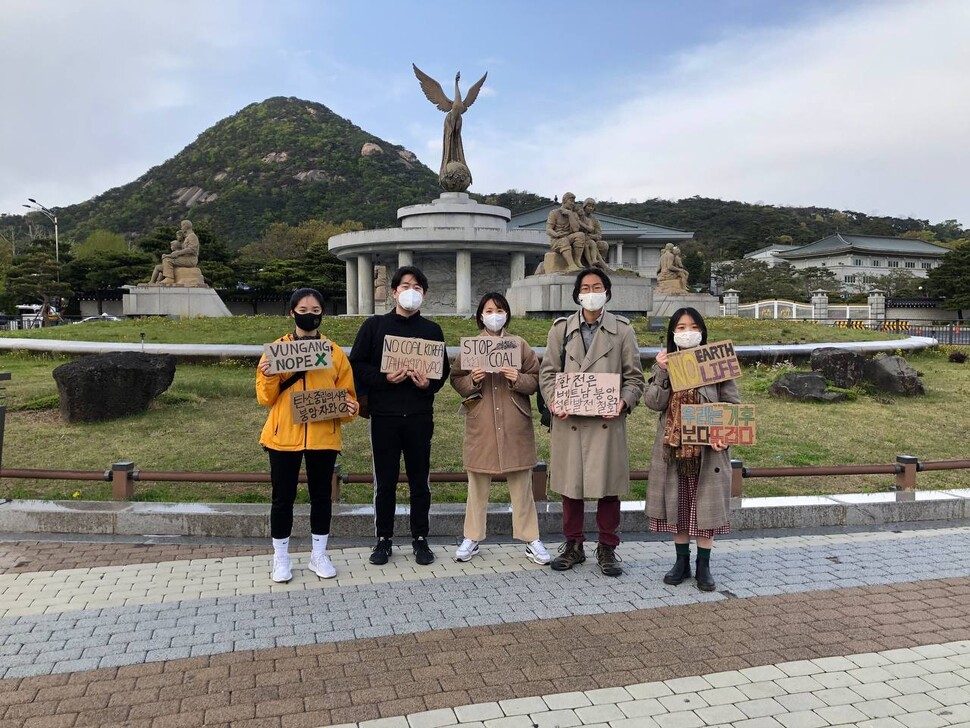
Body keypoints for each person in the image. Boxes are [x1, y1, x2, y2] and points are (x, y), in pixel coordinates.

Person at [538, 268, 645, 576]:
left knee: (608, 487)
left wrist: (624, 402)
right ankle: (573, 545)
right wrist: (553, 399)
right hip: (569, 419)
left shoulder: (623, 330)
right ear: (577, 294)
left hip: (606, 423)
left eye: (597, 286)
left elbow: (634, 378)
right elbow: (547, 373)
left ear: (607, 292)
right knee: (570, 488)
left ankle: (608, 546)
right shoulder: (560, 330)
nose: (591, 291)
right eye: (585, 287)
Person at [349, 265, 450, 567]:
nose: (411, 292)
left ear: (424, 294)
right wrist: (383, 378)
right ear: (393, 292)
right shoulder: (374, 326)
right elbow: (357, 364)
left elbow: (441, 370)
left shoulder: (432, 330)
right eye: (405, 286)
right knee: (386, 481)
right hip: (384, 416)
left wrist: (427, 385)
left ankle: (420, 538)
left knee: (420, 481)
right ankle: (384, 538)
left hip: (419, 415)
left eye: (417, 287)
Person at [256, 288, 359, 583]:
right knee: (282, 498)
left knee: (321, 497)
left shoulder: (334, 352)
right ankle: (281, 557)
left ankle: (319, 554)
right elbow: (265, 398)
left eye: (316, 310)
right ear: (292, 312)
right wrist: (267, 374)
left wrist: (351, 408)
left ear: (322, 314)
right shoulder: (276, 350)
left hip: (322, 435)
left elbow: (348, 398)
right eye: (303, 309)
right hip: (283, 435)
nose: (310, 315)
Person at [450, 292, 551, 565]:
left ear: (506, 313)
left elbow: (536, 378)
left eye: (499, 309)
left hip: (514, 421)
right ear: (481, 315)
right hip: (481, 422)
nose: (494, 314)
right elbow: (456, 379)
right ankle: (471, 536)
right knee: (477, 482)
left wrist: (518, 379)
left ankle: (531, 538)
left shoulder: (519, 345)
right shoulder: (471, 347)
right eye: (489, 309)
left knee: (521, 482)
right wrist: (472, 379)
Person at [643, 307, 740, 591]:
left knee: (705, 507)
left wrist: (725, 434)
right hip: (673, 449)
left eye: (693, 327)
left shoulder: (717, 364)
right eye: (682, 328)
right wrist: (661, 372)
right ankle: (681, 561)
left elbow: (733, 405)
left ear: (703, 332)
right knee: (679, 504)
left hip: (708, 450)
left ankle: (704, 565)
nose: (688, 333)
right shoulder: (664, 364)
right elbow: (653, 402)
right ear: (673, 333)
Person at [159, 220, 200, 285]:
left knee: (168, 260)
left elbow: (192, 249)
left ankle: (169, 278)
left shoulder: (192, 236)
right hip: (185, 258)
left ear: (185, 226)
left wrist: (178, 253)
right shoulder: (187, 237)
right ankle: (159, 280)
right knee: (166, 258)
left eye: (182, 226)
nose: (181, 228)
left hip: (190, 259)